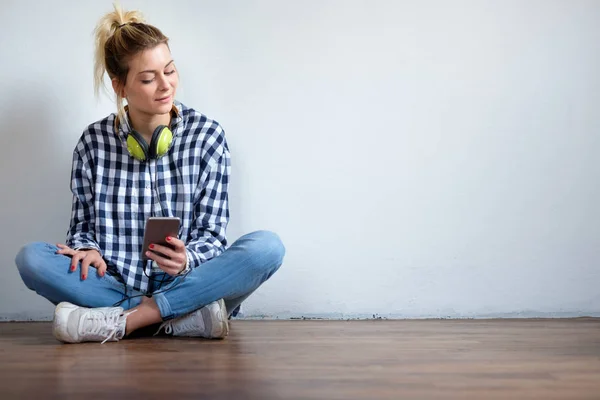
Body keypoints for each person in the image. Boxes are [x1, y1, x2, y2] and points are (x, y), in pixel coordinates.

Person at [14, 5, 285, 344]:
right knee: (31, 259)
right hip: (114, 282)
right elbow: (81, 226)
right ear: (120, 86)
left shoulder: (208, 136)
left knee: (267, 248)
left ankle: (131, 319)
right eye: (147, 78)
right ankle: (182, 317)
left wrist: (188, 258)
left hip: (188, 280)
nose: (165, 85)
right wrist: (88, 249)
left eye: (169, 71)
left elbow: (213, 235)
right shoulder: (93, 142)